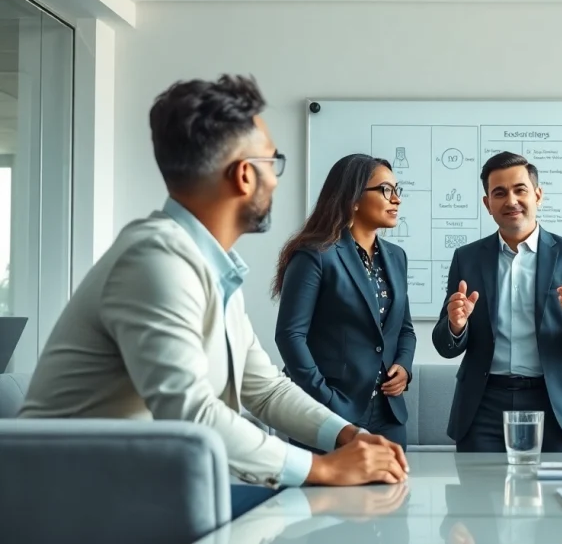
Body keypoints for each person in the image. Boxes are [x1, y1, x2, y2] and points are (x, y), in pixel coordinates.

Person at [17, 75, 408, 520]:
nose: (276, 181)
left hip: (146, 492)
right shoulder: (155, 259)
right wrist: (321, 468)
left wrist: (348, 437)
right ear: (244, 175)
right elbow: (191, 416)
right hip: (78, 509)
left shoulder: (207, 267)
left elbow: (265, 389)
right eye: (273, 163)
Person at [431, 151, 562, 453]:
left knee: (557, 499)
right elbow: (445, 345)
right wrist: (455, 325)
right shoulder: (467, 258)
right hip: (483, 404)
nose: (511, 200)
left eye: (520, 190)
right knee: (476, 498)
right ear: (488, 204)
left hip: (556, 403)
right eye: (499, 193)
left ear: (538, 195)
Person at [273, 153, 415, 450]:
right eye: (386, 190)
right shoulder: (315, 255)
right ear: (353, 198)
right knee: (325, 497)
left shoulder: (396, 257)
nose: (396, 199)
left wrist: (403, 367)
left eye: (397, 190)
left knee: (391, 496)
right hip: (330, 412)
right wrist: (325, 398)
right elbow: (290, 336)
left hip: (389, 414)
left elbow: (404, 329)